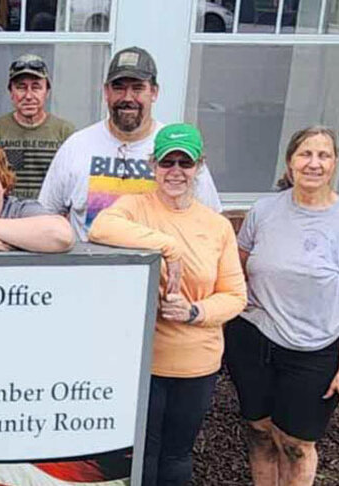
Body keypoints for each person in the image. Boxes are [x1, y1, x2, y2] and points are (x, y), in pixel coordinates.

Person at [88, 123, 246, 486]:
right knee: (142, 453)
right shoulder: (133, 207)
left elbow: (236, 296)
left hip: (196, 363)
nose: (175, 172)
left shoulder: (216, 225)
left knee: (176, 455)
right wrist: (167, 246)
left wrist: (195, 312)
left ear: (198, 166)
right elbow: (100, 229)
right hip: (145, 361)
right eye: (166, 162)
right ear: (152, 165)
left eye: (184, 163)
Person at [224, 126, 339, 486]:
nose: (313, 163)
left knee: (296, 444)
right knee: (260, 432)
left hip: (313, 350)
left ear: (335, 164)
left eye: (323, 155)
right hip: (254, 340)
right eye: (305, 154)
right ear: (290, 162)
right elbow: (237, 268)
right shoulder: (264, 211)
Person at [38, 46, 222, 242]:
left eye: (137, 88)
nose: (127, 97)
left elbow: (212, 223)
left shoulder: (177, 150)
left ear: (154, 92)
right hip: (90, 269)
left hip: (159, 269)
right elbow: (45, 217)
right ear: (106, 92)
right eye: (119, 88)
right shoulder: (76, 146)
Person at [0, 54, 75, 199]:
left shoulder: (65, 132)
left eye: (36, 87)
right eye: (21, 88)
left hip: (49, 214)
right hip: (6, 214)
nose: (28, 96)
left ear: (47, 92)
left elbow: (73, 183)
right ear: (11, 92)